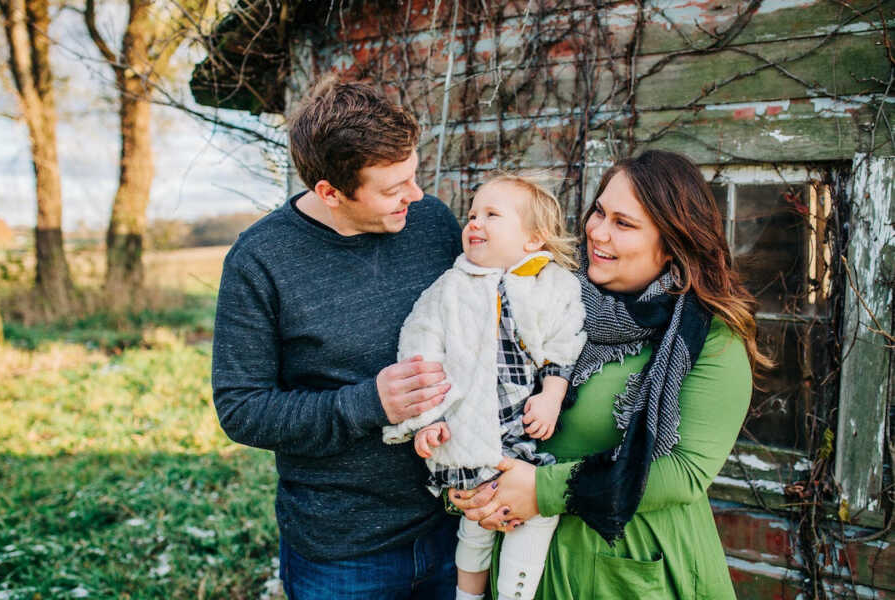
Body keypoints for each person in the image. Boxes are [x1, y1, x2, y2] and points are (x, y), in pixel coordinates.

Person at [450, 150, 771, 599]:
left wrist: (542, 490)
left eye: (624, 223)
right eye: (599, 211)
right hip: (524, 557)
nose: (597, 232)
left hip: (629, 566)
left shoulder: (713, 337)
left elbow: (684, 473)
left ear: (672, 242)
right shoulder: (546, 294)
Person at [211, 77, 464, 599]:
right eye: (394, 189)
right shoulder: (260, 262)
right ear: (329, 192)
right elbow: (241, 408)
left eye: (413, 177)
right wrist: (367, 404)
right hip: (343, 554)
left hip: (457, 526)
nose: (415, 196)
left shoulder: (434, 225)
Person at [382, 175, 586, 600]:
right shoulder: (449, 288)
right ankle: (467, 595)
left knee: (535, 516)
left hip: (521, 431)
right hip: (468, 430)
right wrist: (427, 422)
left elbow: (565, 344)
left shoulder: (555, 286)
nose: (475, 223)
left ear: (533, 239)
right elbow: (419, 349)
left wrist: (551, 396)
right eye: (472, 215)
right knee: (474, 524)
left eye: (492, 215)